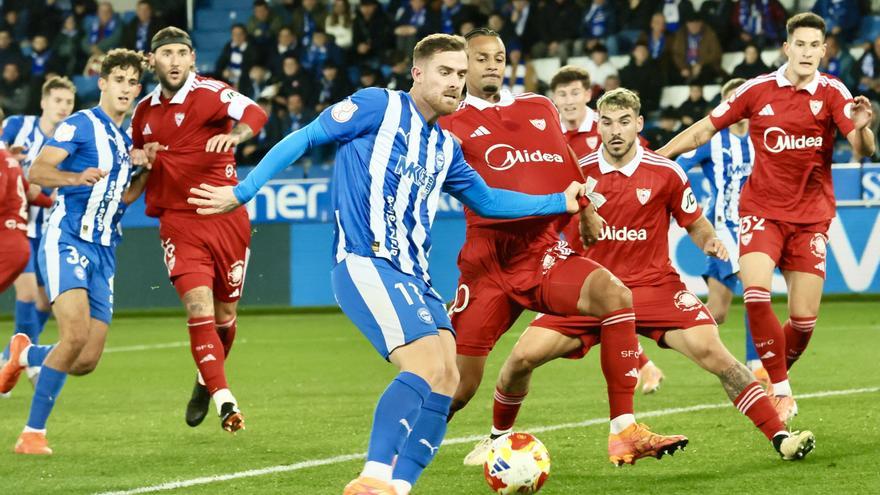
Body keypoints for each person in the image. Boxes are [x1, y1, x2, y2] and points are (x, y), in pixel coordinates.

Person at [187, 32, 586, 495]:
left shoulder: (445, 147)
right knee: (421, 365)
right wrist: (242, 192)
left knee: (448, 376)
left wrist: (560, 199)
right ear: (417, 73)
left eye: (461, 74)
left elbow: (489, 200)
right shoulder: (379, 106)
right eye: (445, 72)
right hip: (365, 260)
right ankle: (373, 477)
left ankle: (399, 486)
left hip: (414, 275)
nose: (456, 83)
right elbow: (305, 136)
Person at [473, 87, 816, 463]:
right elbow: (544, 221)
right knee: (519, 360)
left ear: (638, 124)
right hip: (587, 291)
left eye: (624, 122)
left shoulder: (665, 172)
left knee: (718, 355)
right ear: (598, 125)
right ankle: (495, 439)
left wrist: (710, 241)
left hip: (654, 288)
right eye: (607, 122)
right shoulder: (576, 172)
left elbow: (694, 221)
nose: (615, 131)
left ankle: (780, 437)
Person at [439, 29, 685, 467]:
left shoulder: (537, 106)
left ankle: (623, 431)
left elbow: (565, 161)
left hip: (540, 253)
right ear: (463, 67)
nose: (492, 64)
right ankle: (405, 454)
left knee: (615, 295)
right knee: (458, 386)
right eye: (481, 59)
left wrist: (586, 208)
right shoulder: (447, 122)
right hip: (487, 265)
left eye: (499, 56)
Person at [658, 13, 875, 423]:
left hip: (811, 219)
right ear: (787, 48)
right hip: (761, 211)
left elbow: (862, 148)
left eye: (815, 45)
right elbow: (705, 128)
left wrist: (864, 128)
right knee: (755, 293)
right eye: (801, 44)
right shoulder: (757, 90)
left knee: (804, 322)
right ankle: (780, 390)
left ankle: (770, 371)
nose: (808, 52)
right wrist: (657, 157)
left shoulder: (833, 92)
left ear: (823, 50)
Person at [3, 48, 149, 455]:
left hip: (105, 250)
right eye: (117, 80)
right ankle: (32, 434)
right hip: (67, 238)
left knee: (85, 360)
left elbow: (122, 200)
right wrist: (74, 176)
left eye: (131, 82)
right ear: (102, 83)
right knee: (74, 334)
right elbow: (38, 171)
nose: (124, 88)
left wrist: (149, 171)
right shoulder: (80, 124)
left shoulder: (125, 141)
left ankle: (23, 353)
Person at [130, 27, 268, 434]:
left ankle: (204, 379)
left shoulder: (212, 92)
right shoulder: (143, 112)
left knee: (225, 315)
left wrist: (235, 135)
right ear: (153, 60)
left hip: (225, 216)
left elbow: (256, 114)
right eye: (165, 53)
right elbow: (140, 161)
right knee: (198, 307)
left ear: (192, 58)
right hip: (178, 222)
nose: (173, 60)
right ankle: (226, 398)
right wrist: (138, 156)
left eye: (180, 53)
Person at [549, 64, 664, 394]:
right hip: (572, 229)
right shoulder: (552, 133)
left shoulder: (608, 129)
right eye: (561, 94)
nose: (568, 101)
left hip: (615, 234)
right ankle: (644, 367)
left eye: (574, 93)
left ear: (588, 95)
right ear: (554, 98)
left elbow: (645, 165)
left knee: (604, 302)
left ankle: (641, 369)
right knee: (598, 304)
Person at [675, 78, 768, 383]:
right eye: (731, 100)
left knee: (717, 311)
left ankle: (666, 328)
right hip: (725, 231)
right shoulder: (713, 141)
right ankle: (757, 367)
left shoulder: (762, 137)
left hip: (755, 228)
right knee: (757, 291)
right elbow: (678, 166)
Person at [0, 77, 75, 388]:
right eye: (58, 100)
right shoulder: (18, 125)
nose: (63, 107)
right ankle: (23, 364)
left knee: (45, 304)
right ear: (44, 102)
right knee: (28, 294)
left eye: (69, 102)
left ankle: (10, 357)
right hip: (17, 228)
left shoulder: (71, 137)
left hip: (49, 230)